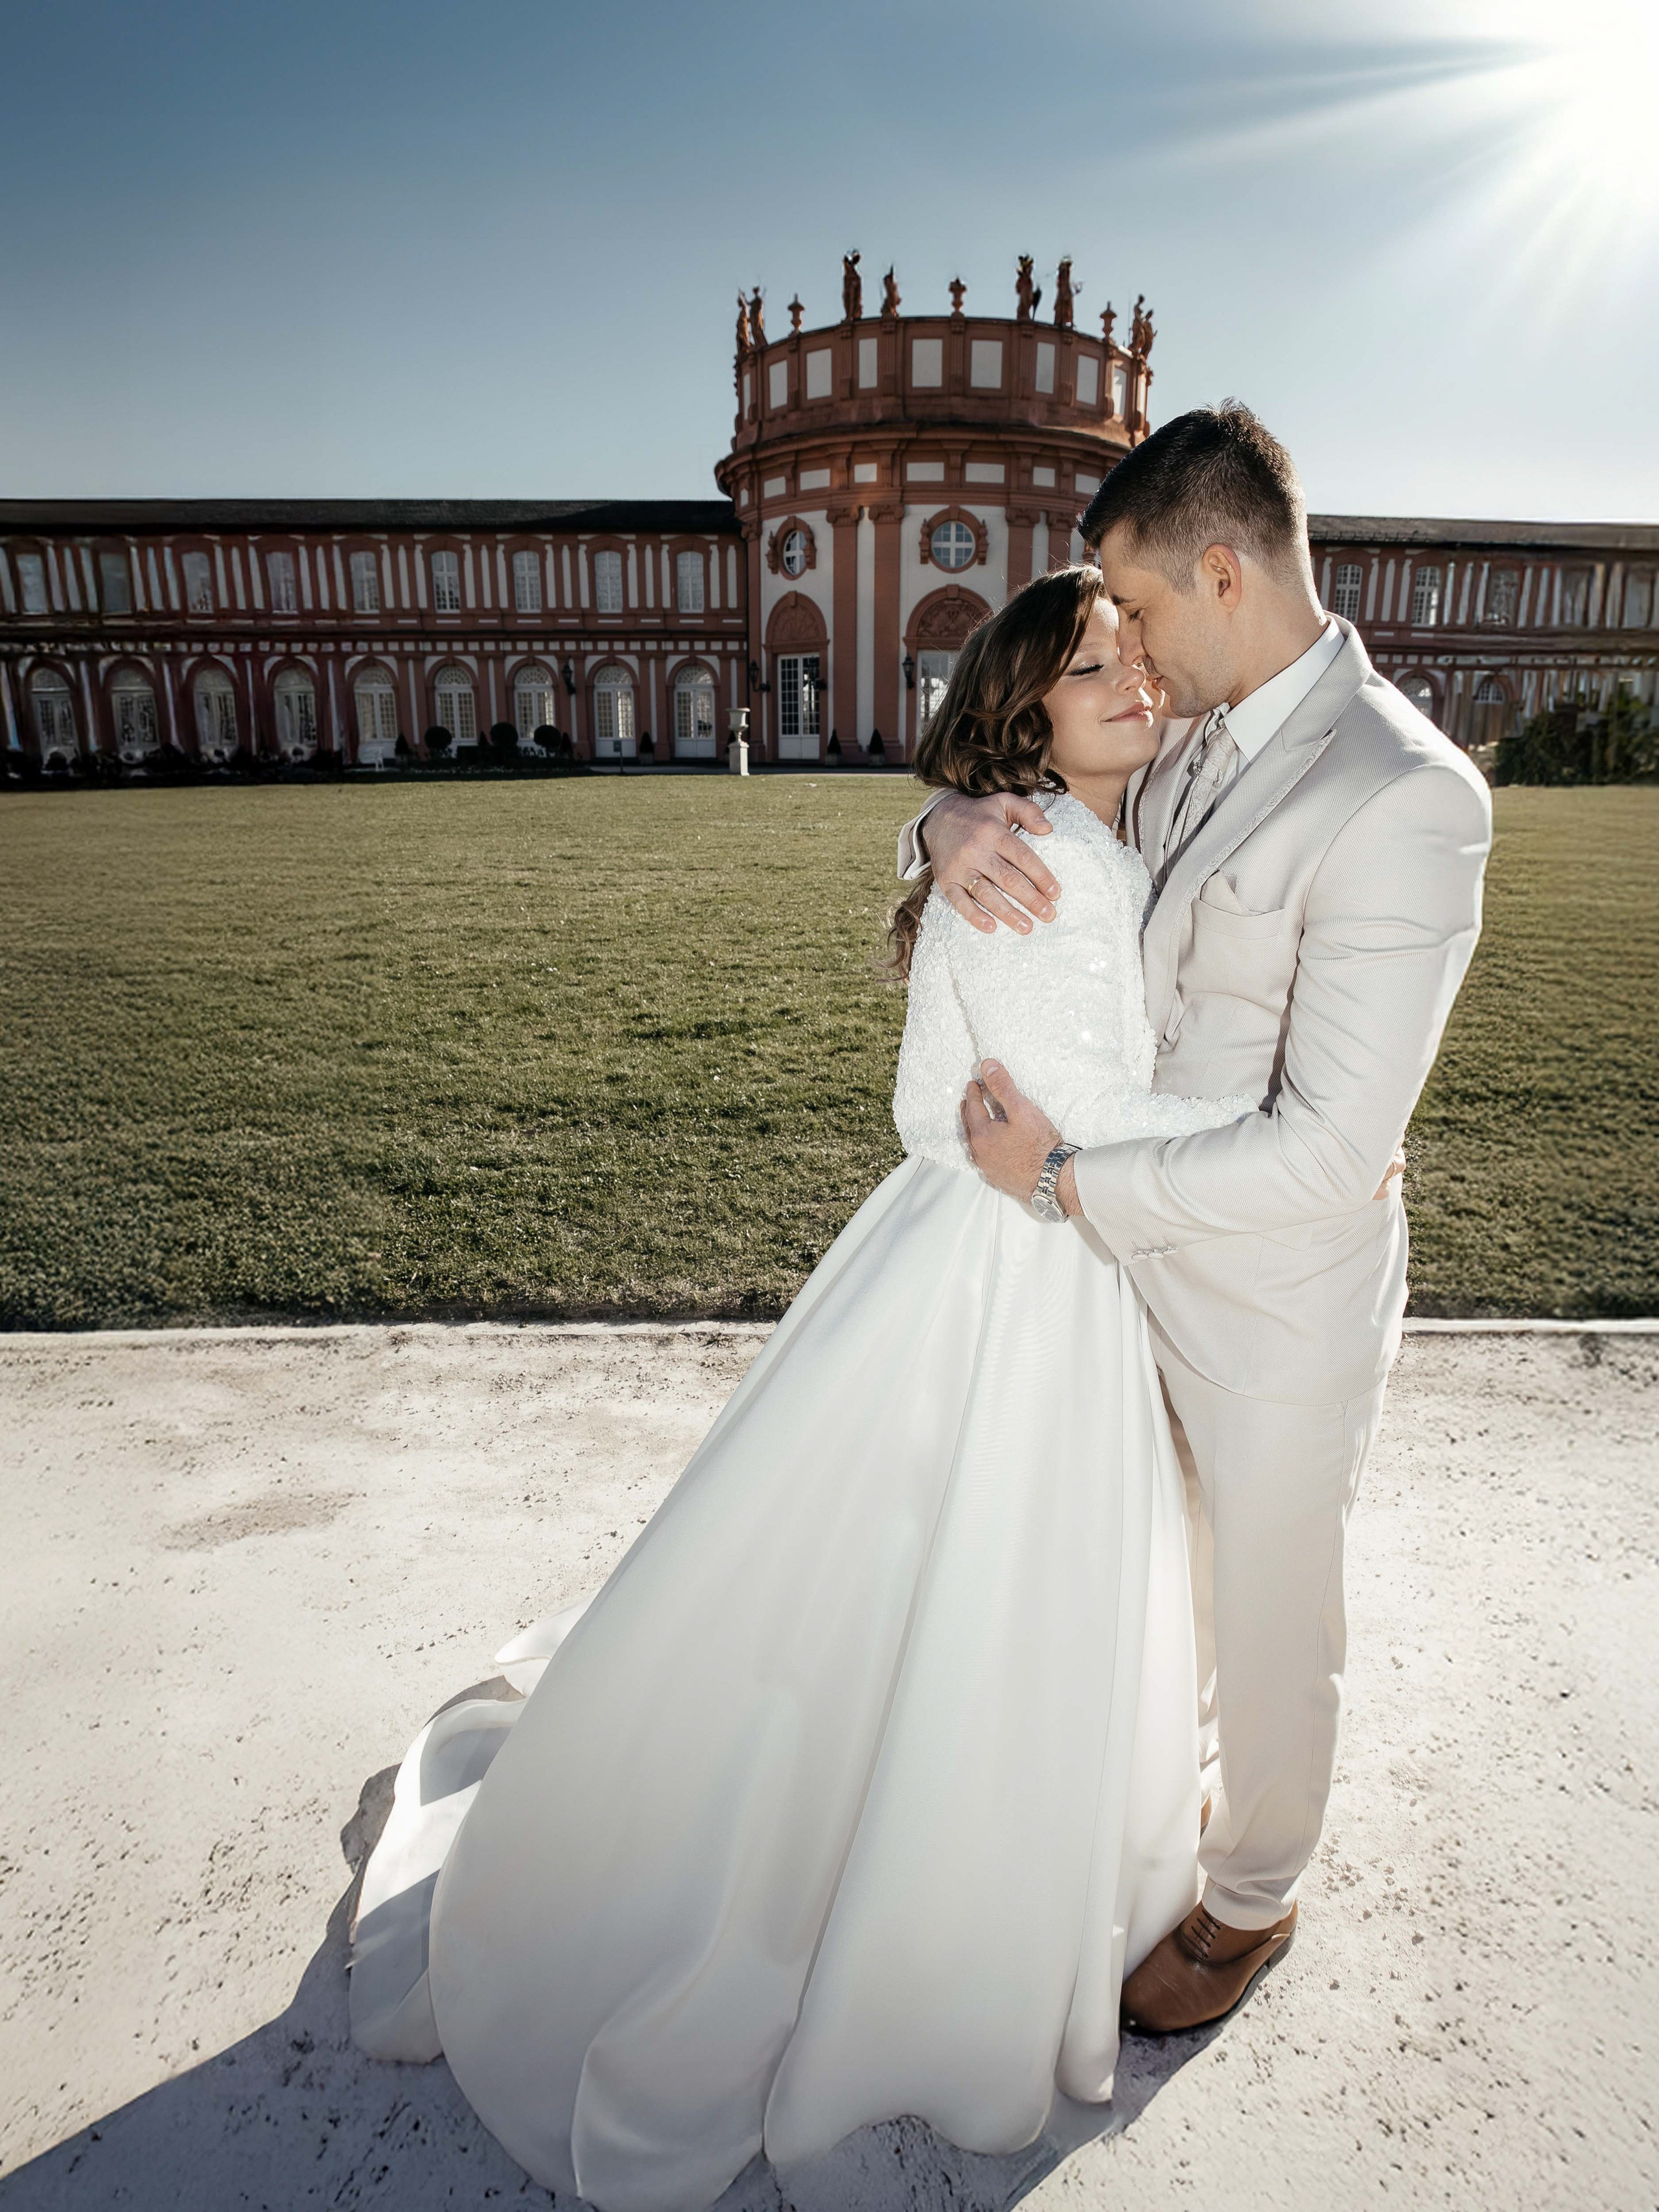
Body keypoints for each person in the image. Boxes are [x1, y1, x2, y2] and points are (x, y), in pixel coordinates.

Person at [349, 568, 1253, 2212]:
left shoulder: (1055, 830)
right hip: (1028, 1260)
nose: (1131, 679)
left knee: (961, 1585)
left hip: (1014, 1253)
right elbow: (986, 1106)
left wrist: (933, 830)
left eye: (1134, 654)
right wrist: (1076, 1145)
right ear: (1026, 711)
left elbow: (945, 1107)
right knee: (973, 1581)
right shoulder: (1046, 857)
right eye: (1090, 666)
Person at [905, 401, 1492, 2034]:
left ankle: (1249, 1901)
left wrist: (1064, 1186)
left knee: (1272, 1600)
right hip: (1115, 1283)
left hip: (1268, 1300)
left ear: (1220, 572)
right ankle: (1163, 1805)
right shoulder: (1183, 738)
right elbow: (1052, 817)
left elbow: (1327, 1148)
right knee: (1166, 1588)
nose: (1132, 660)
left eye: (1139, 613)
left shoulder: (1404, 794)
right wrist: (938, 821)